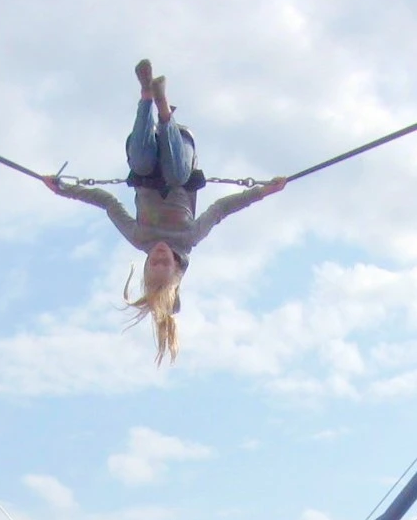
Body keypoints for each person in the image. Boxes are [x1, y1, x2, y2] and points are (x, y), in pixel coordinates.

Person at [43, 61, 287, 364]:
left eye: (153, 262)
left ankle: (147, 96)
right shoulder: (189, 237)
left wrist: (64, 189)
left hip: (143, 151)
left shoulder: (139, 236)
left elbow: (106, 201)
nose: (158, 253)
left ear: (146, 265)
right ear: (176, 266)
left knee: (143, 166)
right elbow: (223, 208)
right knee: (175, 175)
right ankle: (165, 112)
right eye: (164, 261)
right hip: (179, 148)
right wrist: (264, 191)